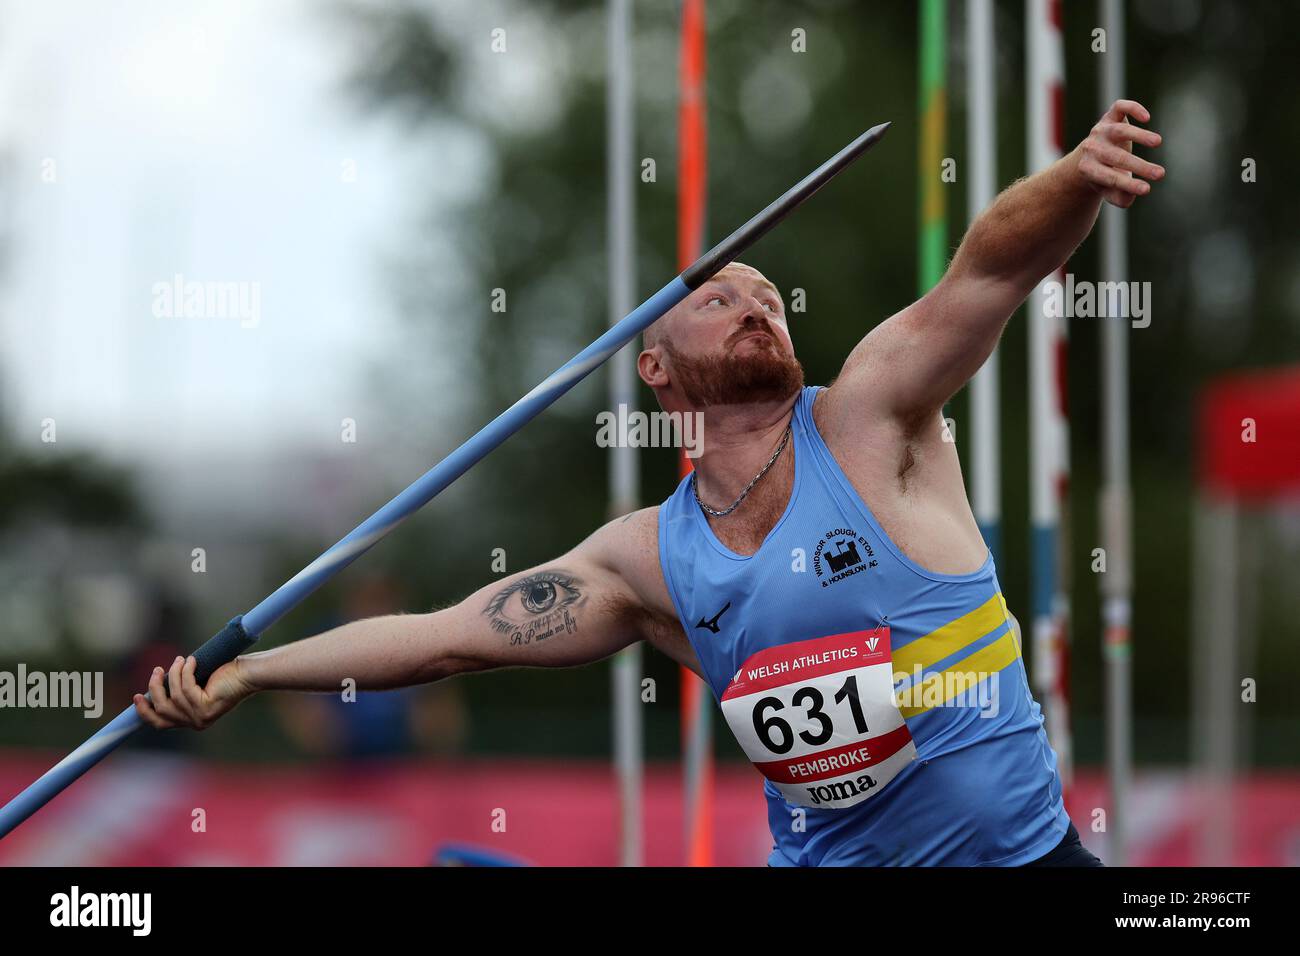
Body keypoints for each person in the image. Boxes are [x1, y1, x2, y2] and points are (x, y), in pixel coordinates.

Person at [134, 100, 1162, 866]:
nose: (757, 303)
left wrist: (1077, 175)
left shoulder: (865, 420)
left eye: (768, 296)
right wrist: (249, 672)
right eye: (720, 297)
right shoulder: (646, 558)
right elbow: (441, 634)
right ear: (653, 364)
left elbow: (985, 271)